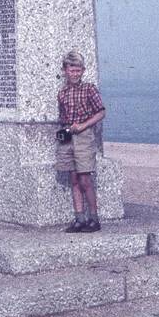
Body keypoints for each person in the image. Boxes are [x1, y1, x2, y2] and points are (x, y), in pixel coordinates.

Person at [56, 49, 106, 233]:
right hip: (68, 136)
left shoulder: (89, 89)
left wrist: (84, 125)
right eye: (72, 70)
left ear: (83, 71)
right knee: (74, 179)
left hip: (84, 137)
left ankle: (94, 219)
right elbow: (63, 117)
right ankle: (79, 218)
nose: (75, 74)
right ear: (65, 70)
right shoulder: (62, 93)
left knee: (85, 179)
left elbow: (101, 112)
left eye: (78, 71)